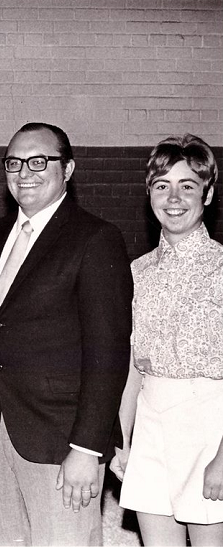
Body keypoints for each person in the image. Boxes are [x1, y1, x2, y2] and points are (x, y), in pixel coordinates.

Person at [0, 122, 133, 545]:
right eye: (14, 163)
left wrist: (88, 448)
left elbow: (108, 353)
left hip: (62, 442)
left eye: (40, 161)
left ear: (68, 169)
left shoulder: (96, 239)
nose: (25, 172)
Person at [110, 134, 223, 545]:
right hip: (152, 426)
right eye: (162, 186)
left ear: (207, 194)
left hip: (211, 429)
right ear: (149, 194)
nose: (174, 198)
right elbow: (132, 365)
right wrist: (120, 439)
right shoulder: (138, 271)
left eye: (187, 186)